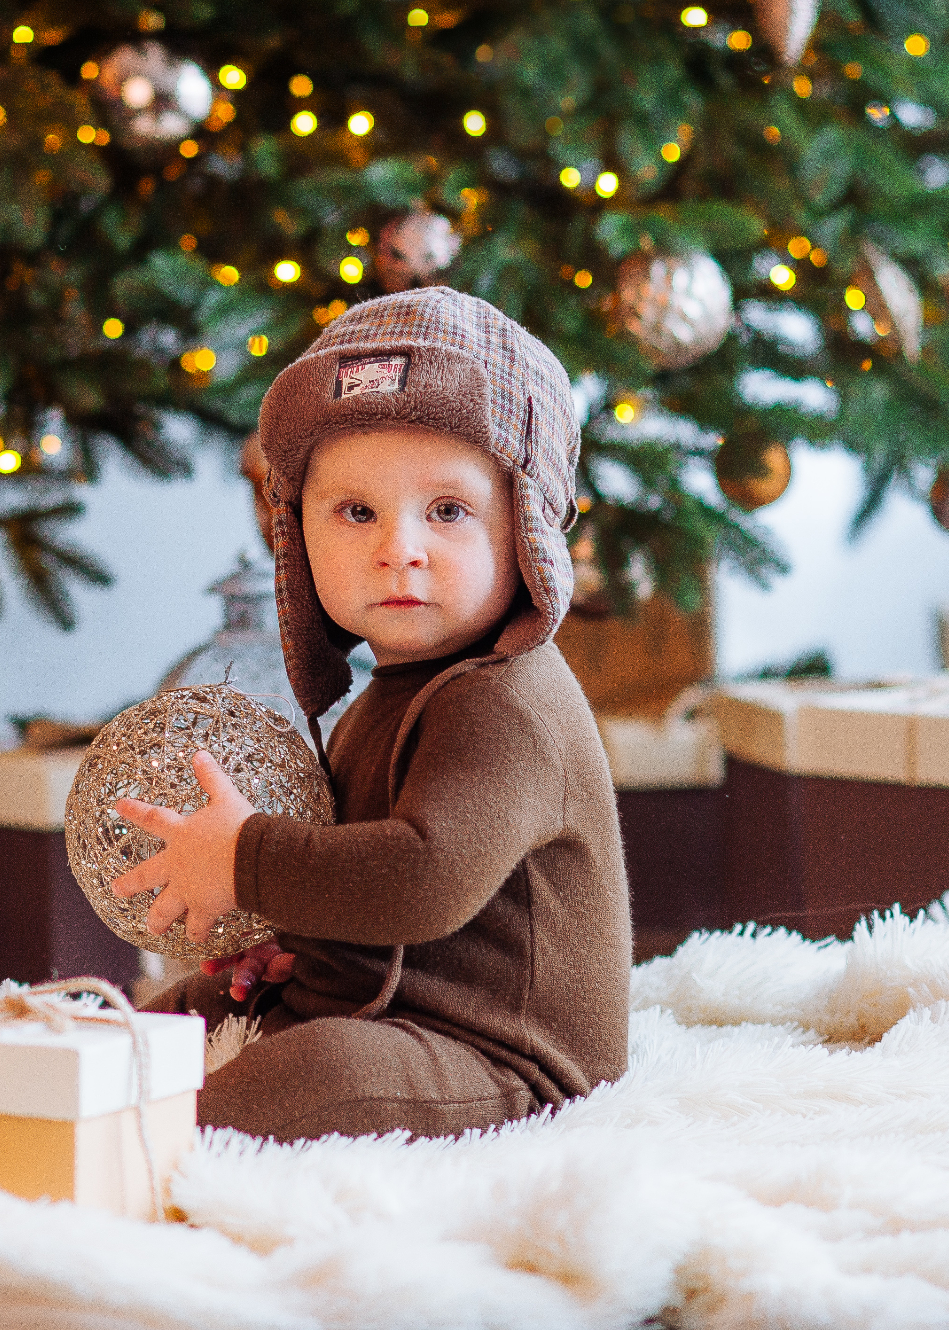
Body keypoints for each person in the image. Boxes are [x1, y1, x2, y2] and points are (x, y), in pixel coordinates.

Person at [113, 286, 632, 1142]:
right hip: (394, 998)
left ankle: (142, 1142)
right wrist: (294, 938)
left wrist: (247, 859)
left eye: (449, 512)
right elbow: (361, 885)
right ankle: (94, 1067)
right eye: (357, 512)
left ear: (527, 529)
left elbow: (420, 881)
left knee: (321, 1072)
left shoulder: (509, 699)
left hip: (506, 1056)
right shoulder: (388, 692)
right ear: (299, 532)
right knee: (183, 1011)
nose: (399, 548)